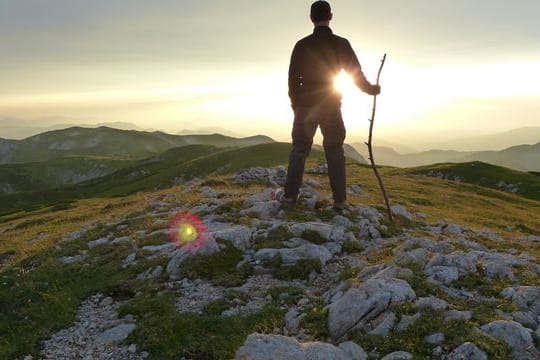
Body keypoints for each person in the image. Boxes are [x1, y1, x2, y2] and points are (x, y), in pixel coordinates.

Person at [282, 0, 380, 211]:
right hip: (331, 105)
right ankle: (340, 201)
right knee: (335, 150)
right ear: (331, 16)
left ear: (311, 18)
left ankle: (290, 198)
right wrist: (371, 89)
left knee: (299, 150)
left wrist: (296, 104)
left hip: (305, 106)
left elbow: (292, 79)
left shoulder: (302, 45)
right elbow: (355, 74)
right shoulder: (341, 43)